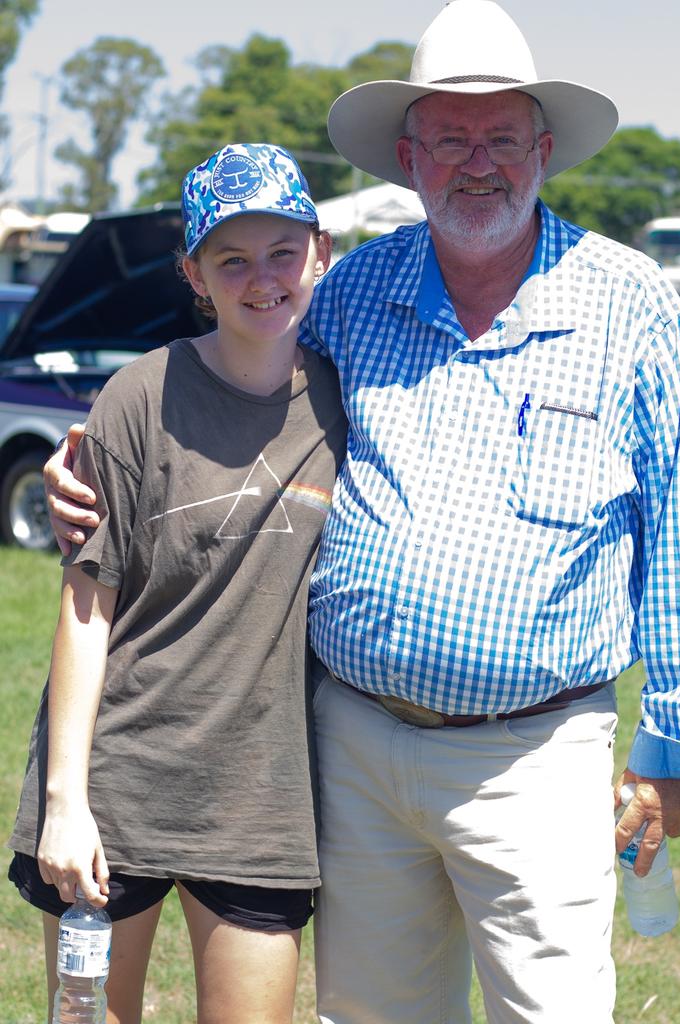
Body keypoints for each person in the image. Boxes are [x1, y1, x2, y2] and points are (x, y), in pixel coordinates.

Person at [43, 2, 680, 1021]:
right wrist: (95, 456)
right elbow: (232, 370)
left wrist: (677, 746)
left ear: (544, 149)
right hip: (354, 748)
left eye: (501, 135)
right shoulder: (351, 289)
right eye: (449, 138)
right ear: (409, 157)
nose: (477, 161)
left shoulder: (630, 302)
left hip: (535, 754)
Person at [8, 142, 346, 1024]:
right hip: (117, 781)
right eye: (232, 259)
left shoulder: (352, 402)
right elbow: (87, 608)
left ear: (320, 253)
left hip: (259, 797)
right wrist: (65, 805)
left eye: (283, 251)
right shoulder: (134, 398)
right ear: (193, 272)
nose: (261, 278)